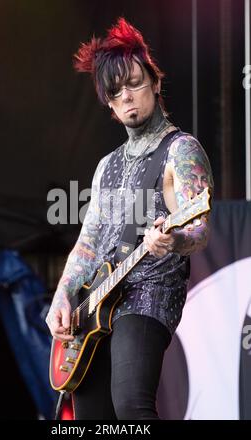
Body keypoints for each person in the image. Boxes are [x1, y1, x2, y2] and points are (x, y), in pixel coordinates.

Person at [45, 17, 213, 420]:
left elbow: (200, 229)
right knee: (89, 417)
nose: (127, 98)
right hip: (98, 300)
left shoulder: (182, 150)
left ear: (155, 82)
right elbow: (89, 242)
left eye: (135, 83)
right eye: (115, 92)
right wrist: (63, 296)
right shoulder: (107, 165)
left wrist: (174, 241)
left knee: (131, 405)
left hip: (150, 292)